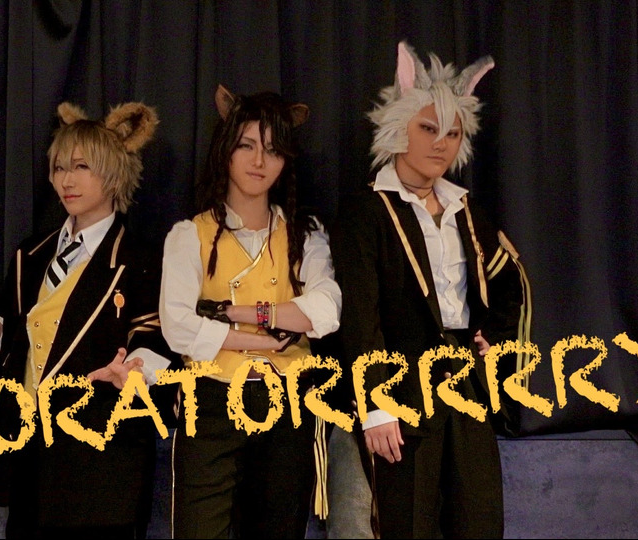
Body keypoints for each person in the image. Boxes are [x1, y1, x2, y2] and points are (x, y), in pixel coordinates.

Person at [0, 101, 173, 538]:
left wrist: (134, 371)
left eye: (81, 166)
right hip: (30, 456)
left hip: (100, 457)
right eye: (59, 167)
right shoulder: (32, 254)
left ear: (114, 173)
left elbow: (154, 341)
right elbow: (16, 348)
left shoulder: (140, 258)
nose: (66, 180)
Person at [331, 42, 531, 538]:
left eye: (452, 133)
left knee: (479, 523)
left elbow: (511, 281)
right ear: (399, 128)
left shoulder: (467, 210)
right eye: (428, 128)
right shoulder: (367, 211)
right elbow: (360, 314)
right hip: (401, 387)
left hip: (465, 385)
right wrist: (375, 403)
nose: (441, 143)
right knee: (406, 524)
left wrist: (496, 337)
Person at [160, 85, 342, 539]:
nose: (259, 161)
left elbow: (326, 310)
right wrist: (265, 339)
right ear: (225, 150)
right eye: (246, 146)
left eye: (273, 150)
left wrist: (233, 312)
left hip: (287, 403)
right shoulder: (190, 235)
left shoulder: (305, 235)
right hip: (211, 399)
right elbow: (178, 325)